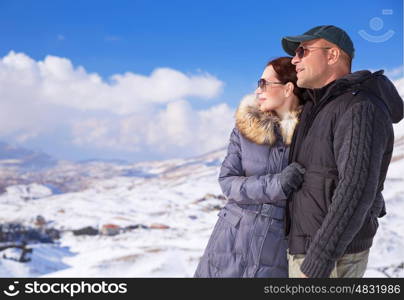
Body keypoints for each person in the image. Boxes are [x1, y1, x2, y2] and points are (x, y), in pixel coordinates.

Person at [281, 25, 404, 278]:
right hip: (306, 251)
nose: (294, 59)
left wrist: (317, 263)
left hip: (328, 262)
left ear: (332, 55)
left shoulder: (359, 107)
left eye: (303, 51)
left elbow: (355, 190)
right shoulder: (319, 108)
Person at [194, 56, 306, 277]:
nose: (258, 90)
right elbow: (227, 182)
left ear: (288, 89)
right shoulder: (245, 128)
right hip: (231, 238)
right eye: (258, 83)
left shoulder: (311, 133)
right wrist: (277, 184)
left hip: (277, 246)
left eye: (265, 83)